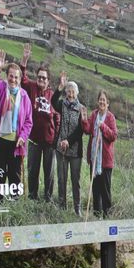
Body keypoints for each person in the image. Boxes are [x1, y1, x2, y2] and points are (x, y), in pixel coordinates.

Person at [0, 49, 32, 203]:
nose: (13, 80)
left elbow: (28, 122)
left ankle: (14, 207)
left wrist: (23, 137)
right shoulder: (0, 88)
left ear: (20, 78)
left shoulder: (25, 97)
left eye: (16, 77)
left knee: (14, 177)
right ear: (7, 76)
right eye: (11, 76)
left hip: (15, 144)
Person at [19, 43, 59, 202]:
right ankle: (32, 197)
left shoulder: (52, 95)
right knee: (33, 169)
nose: (41, 79)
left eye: (44, 78)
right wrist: (24, 60)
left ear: (48, 81)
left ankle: (47, 198)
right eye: (39, 77)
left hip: (49, 141)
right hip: (34, 139)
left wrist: (56, 138)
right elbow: (22, 79)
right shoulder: (32, 88)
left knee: (49, 172)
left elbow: (57, 117)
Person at [51, 71, 85, 215]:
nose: (70, 94)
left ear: (76, 93)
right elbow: (52, 102)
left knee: (75, 180)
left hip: (75, 151)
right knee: (62, 178)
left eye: (73, 91)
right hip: (61, 149)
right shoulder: (62, 105)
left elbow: (80, 130)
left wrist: (68, 141)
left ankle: (77, 208)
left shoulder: (81, 109)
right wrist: (60, 86)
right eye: (68, 91)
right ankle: (62, 206)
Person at [81, 90, 118, 218]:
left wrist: (103, 127)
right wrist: (85, 119)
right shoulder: (94, 114)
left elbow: (113, 136)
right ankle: (97, 216)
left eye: (104, 100)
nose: (102, 102)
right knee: (95, 190)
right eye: (100, 99)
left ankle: (107, 218)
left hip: (105, 161)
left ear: (108, 103)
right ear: (98, 101)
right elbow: (87, 130)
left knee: (105, 191)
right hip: (94, 159)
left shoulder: (110, 117)